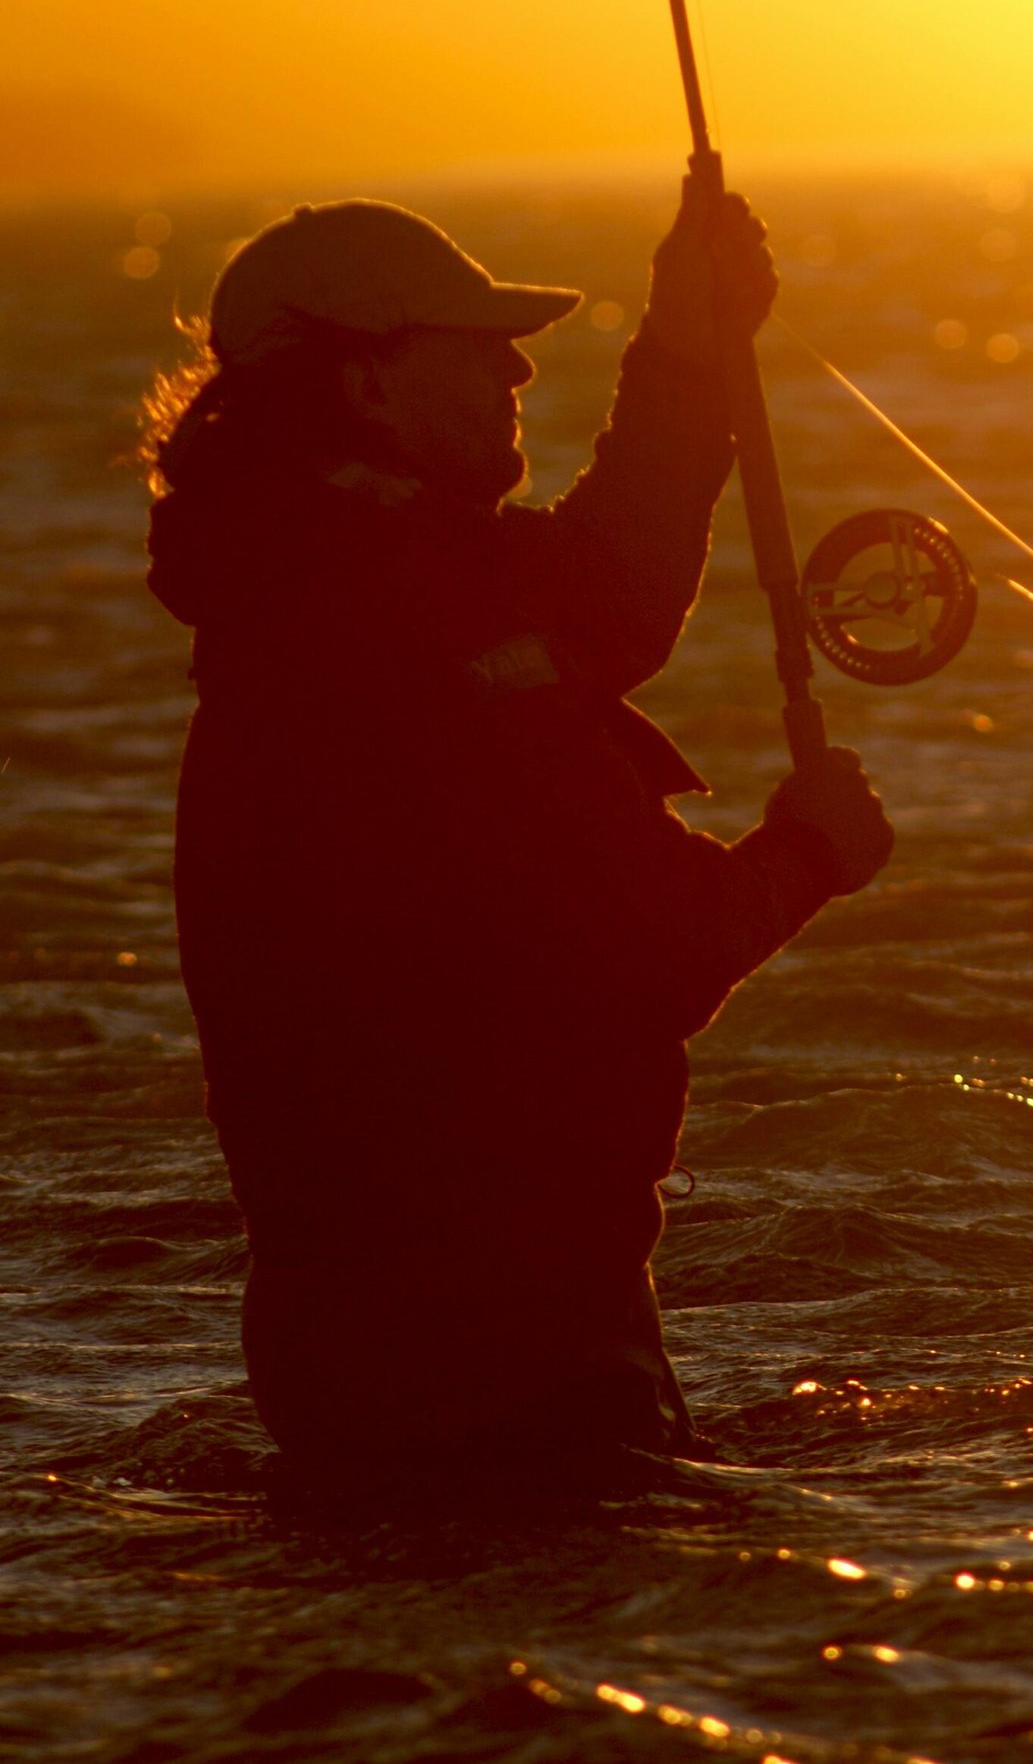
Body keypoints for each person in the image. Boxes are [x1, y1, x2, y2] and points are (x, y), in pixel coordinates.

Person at [141, 185, 893, 1468]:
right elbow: (651, 943)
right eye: (471, 342)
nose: (516, 364)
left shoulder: (316, 584)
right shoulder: (408, 622)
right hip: (513, 1359)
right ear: (371, 388)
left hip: (347, 1360)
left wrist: (687, 344)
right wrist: (809, 851)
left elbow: (608, 591)